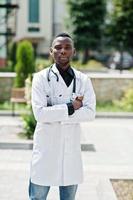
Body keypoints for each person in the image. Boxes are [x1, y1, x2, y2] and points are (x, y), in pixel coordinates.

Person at [29, 32, 96, 200]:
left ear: (74, 52)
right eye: (58, 48)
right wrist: (71, 107)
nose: (62, 51)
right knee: (37, 197)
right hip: (46, 149)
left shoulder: (83, 80)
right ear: (51, 51)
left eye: (67, 48)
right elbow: (40, 114)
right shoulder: (40, 78)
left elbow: (90, 113)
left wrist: (55, 112)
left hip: (70, 151)